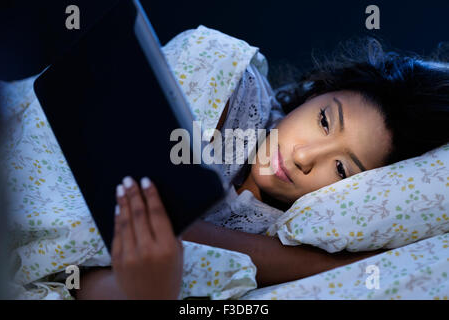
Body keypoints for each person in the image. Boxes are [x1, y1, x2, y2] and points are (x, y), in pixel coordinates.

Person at [77, 37, 449, 299]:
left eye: (340, 169)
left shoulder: (283, 229)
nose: (304, 157)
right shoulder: (233, 89)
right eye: (324, 120)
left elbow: (78, 278)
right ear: (318, 90)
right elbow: (122, 201)